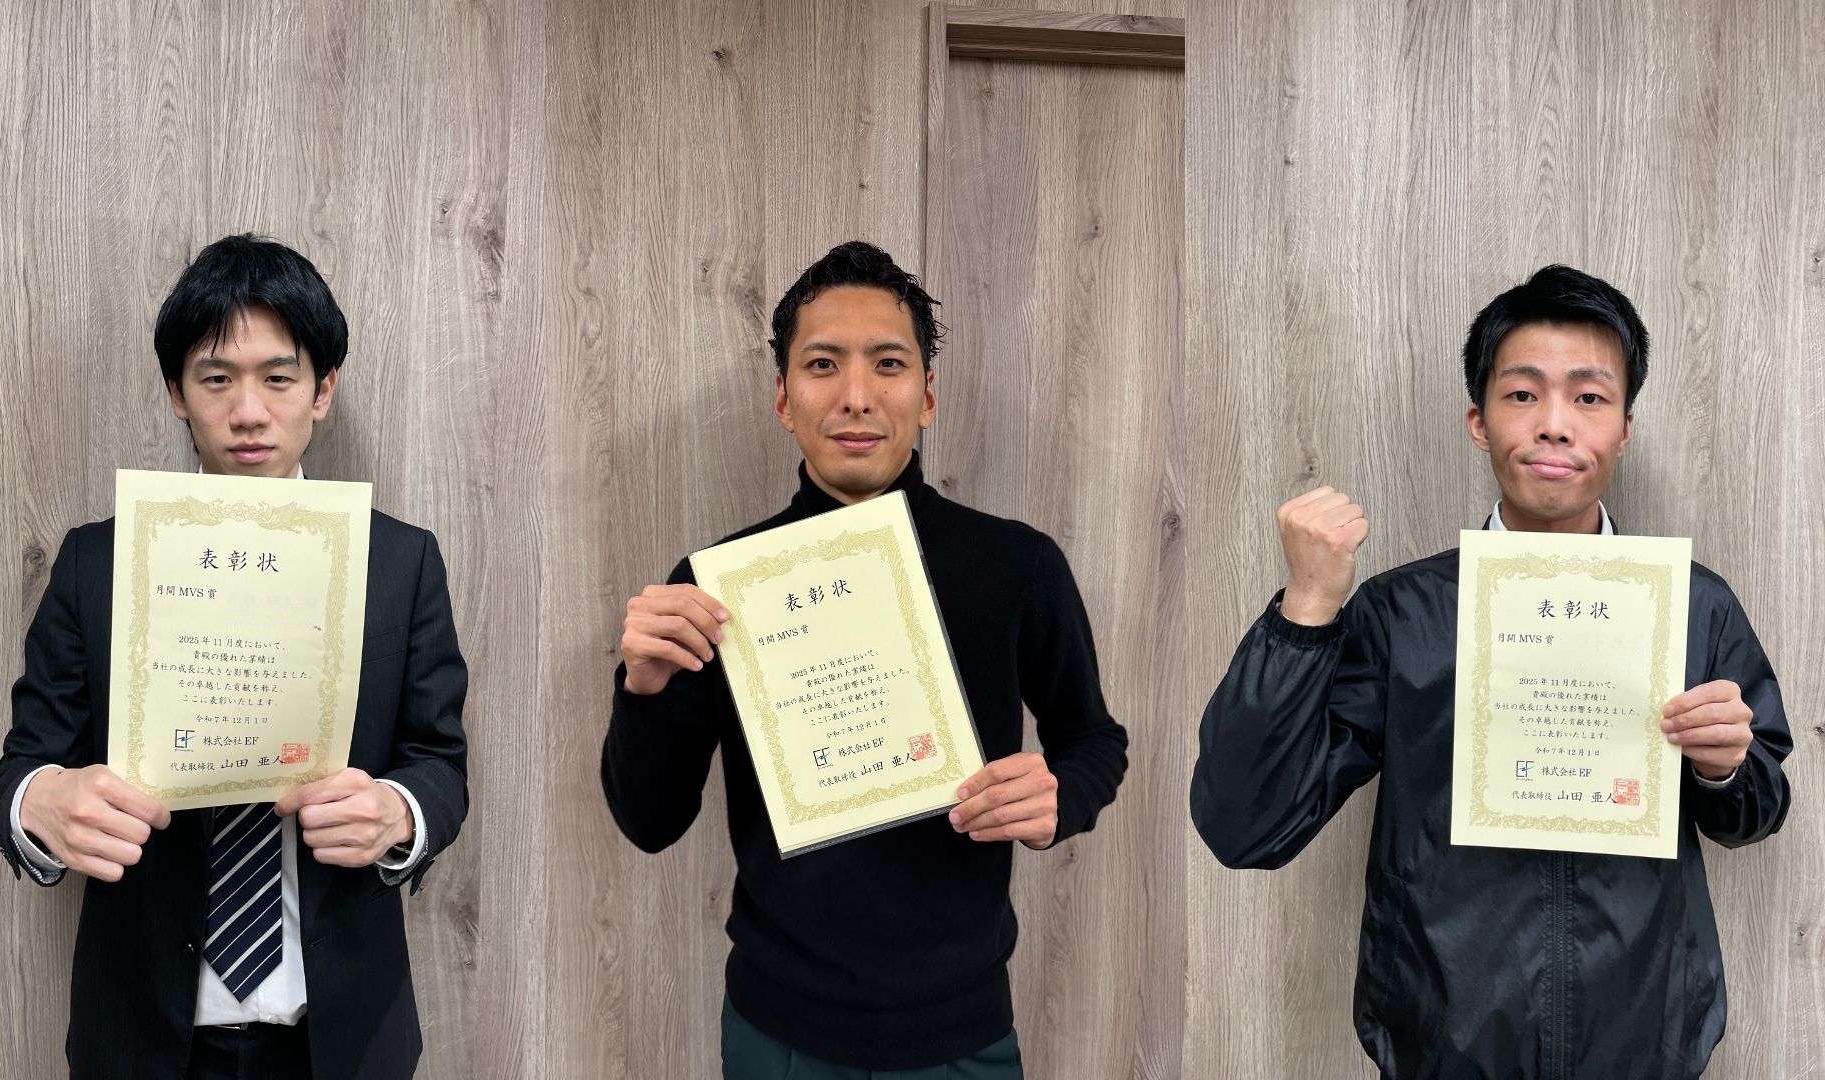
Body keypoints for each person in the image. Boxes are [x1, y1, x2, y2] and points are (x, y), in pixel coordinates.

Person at [1191, 264, 1793, 1079]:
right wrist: (1305, 608)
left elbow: (1757, 810)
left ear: (1624, 428)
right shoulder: (1402, 614)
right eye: (1522, 394)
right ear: (1479, 421)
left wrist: (1725, 768)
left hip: (1645, 1039)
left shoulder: (1694, 605)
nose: (1555, 425)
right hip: (1443, 1040)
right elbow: (1248, 826)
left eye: (1589, 397)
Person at [602, 241, 1129, 1078]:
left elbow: (1094, 738)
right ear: (784, 399)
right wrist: (643, 688)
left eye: (888, 364)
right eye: (823, 365)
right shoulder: (718, 587)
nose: (856, 396)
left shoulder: (1016, 565)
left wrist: (1060, 796)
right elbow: (650, 822)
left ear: (927, 396)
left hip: (964, 1031)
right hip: (779, 1030)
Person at [0, 234, 470, 1080]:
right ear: (177, 393)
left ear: (323, 391)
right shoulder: (96, 563)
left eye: (278, 379)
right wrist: (42, 802)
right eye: (216, 379)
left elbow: (439, 762)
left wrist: (397, 813)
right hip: (142, 1040)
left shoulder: (399, 562)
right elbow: (21, 769)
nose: (248, 412)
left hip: (342, 1039)